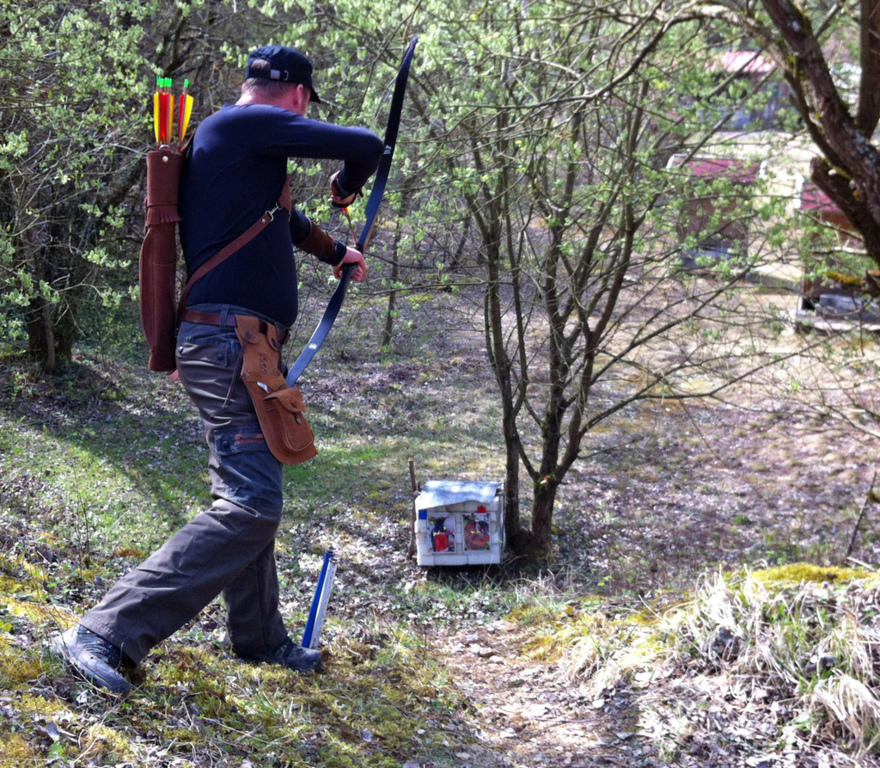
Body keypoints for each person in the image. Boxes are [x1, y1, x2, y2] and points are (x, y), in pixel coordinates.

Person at [50, 46, 385, 695]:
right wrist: (348, 186)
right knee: (251, 504)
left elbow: (282, 220)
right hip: (232, 344)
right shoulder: (243, 124)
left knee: (254, 493)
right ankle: (104, 631)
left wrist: (336, 251)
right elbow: (366, 144)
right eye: (305, 104)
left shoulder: (233, 144)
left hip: (240, 344)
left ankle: (260, 639)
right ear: (297, 96)